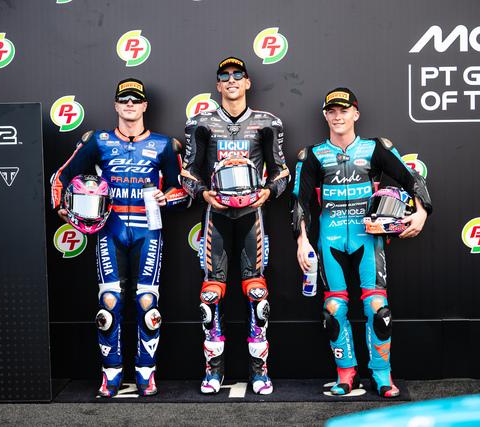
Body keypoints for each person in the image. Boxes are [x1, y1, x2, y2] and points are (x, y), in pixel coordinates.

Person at [50, 78, 189, 397]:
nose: (129, 104)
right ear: (115, 105)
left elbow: (183, 191)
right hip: (109, 231)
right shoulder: (98, 141)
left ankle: (146, 373)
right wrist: (61, 207)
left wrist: (167, 197)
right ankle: (110, 374)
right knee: (108, 304)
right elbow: (61, 176)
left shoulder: (164, 145)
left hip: (148, 231)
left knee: (148, 304)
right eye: (123, 99)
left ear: (144, 105)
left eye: (135, 99)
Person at [291, 88, 432, 397]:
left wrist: (422, 212)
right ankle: (346, 373)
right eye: (332, 111)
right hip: (329, 239)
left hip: (368, 240)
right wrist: (302, 240)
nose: (337, 116)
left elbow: (412, 179)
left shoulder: (375, 148)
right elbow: (300, 200)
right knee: (333, 308)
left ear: (355, 114)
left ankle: (382, 375)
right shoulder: (312, 155)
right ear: (325, 115)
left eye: (344, 110)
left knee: (378, 308)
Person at [180, 57, 290, 395]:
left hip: (251, 216)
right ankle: (213, 371)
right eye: (225, 76)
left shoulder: (267, 123)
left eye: (237, 75)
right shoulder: (201, 122)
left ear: (247, 82)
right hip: (216, 216)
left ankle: (260, 372)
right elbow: (187, 172)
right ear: (217, 84)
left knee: (257, 293)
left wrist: (268, 192)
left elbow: (282, 172)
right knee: (210, 294)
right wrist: (203, 193)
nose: (231, 80)